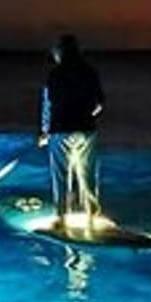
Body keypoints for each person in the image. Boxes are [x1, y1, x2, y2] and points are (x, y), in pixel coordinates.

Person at [38, 32, 105, 229]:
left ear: (59, 53)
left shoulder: (55, 74)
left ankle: (62, 216)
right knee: (88, 173)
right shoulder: (89, 71)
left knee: (61, 174)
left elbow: (48, 105)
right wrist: (88, 114)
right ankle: (92, 215)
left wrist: (44, 132)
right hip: (86, 128)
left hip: (60, 128)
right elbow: (100, 103)